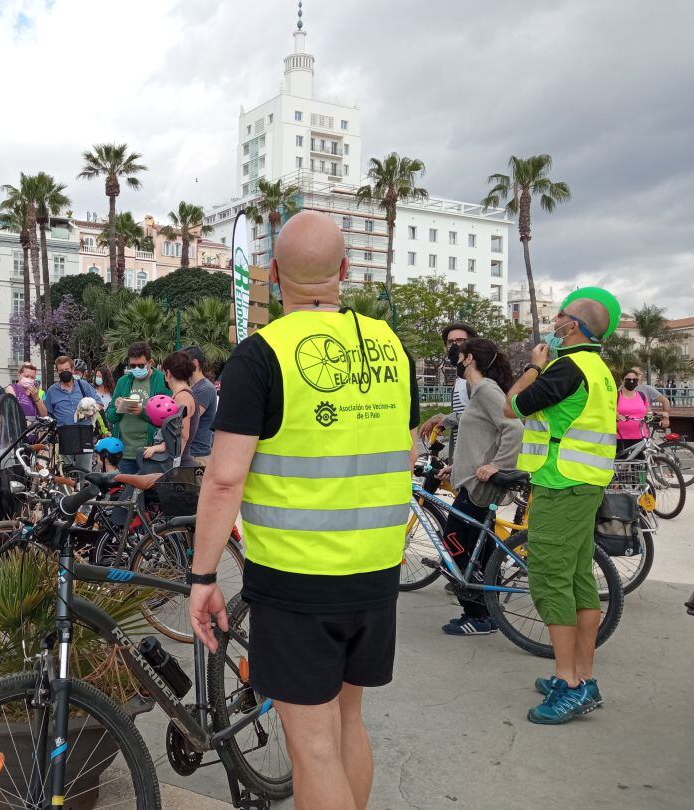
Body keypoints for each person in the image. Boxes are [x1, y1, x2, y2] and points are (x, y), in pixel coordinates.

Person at [189, 211, 419, 810]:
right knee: (349, 723)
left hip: (297, 579)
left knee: (311, 744)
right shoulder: (392, 348)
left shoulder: (261, 356)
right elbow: (407, 449)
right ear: (345, 270)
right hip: (375, 572)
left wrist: (203, 576)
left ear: (271, 274)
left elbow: (224, 480)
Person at [505, 286, 620, 725]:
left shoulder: (566, 368)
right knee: (576, 577)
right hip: (583, 483)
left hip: (561, 482)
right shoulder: (598, 368)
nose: (554, 322)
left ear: (573, 326)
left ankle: (569, 683)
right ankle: (583, 676)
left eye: (560, 316)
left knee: (551, 578)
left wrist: (533, 368)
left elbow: (511, 406)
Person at [438, 338, 523, 636]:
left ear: (468, 357)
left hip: (479, 484)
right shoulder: (480, 390)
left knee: (455, 544)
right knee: (479, 547)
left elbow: (514, 427)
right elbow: (481, 436)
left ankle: (478, 615)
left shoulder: (486, 389)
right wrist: (455, 466)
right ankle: (487, 612)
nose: (454, 356)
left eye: (458, 352)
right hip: (471, 479)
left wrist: (497, 464)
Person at [105, 342, 170, 474]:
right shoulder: (123, 382)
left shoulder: (162, 381)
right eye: (132, 366)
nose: (136, 369)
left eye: (140, 365)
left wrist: (143, 411)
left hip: (150, 451)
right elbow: (110, 416)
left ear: (150, 362)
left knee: (148, 493)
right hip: (125, 452)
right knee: (127, 493)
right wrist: (118, 408)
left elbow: (167, 418)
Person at [420, 322, 478, 457]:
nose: (455, 345)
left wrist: (446, 419)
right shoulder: (459, 379)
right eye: (450, 342)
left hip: (478, 458)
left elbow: (485, 418)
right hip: (461, 457)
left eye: (460, 341)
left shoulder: (478, 378)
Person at [143, 351, 199, 467]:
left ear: (168, 373)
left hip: (179, 465)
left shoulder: (182, 397)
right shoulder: (181, 395)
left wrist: (173, 467)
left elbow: (182, 435)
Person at [44, 356, 99, 470]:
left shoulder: (83, 385)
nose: (64, 372)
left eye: (67, 369)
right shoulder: (52, 390)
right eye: (61, 370)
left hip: (84, 432)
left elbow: (99, 404)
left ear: (72, 370)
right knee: (65, 470)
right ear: (57, 371)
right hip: (64, 433)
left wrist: (90, 411)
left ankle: (84, 487)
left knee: (85, 471)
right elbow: (48, 413)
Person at [183, 345, 217, 467]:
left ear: (195, 363)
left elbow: (188, 417)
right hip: (191, 453)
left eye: (184, 363)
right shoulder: (193, 388)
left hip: (197, 455)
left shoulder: (204, 389)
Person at [616, 368, 651, 457]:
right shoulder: (616, 396)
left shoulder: (642, 396)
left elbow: (648, 412)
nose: (631, 382)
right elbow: (608, 411)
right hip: (621, 438)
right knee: (621, 467)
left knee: (640, 467)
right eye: (628, 380)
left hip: (641, 437)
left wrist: (659, 415)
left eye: (634, 380)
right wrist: (616, 415)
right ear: (622, 381)